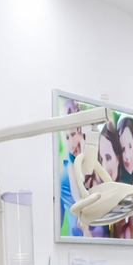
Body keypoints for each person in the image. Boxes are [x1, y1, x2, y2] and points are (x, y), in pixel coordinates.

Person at [57, 99, 90, 237]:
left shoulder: (92, 156)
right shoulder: (66, 167)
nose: (70, 142)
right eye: (66, 136)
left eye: (72, 134)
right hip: (77, 234)